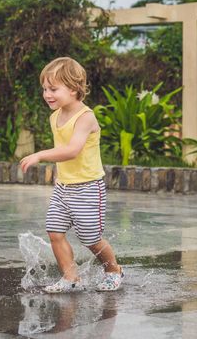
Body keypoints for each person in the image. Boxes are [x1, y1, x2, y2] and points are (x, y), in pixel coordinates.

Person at [20, 57, 124, 293]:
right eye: (45, 89)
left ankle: (113, 270)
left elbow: (72, 150)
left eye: (53, 89)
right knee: (55, 232)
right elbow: (64, 149)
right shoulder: (55, 116)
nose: (47, 94)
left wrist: (40, 155)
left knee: (91, 238)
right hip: (64, 187)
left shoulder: (85, 117)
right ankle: (71, 277)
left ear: (74, 88)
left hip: (88, 188)